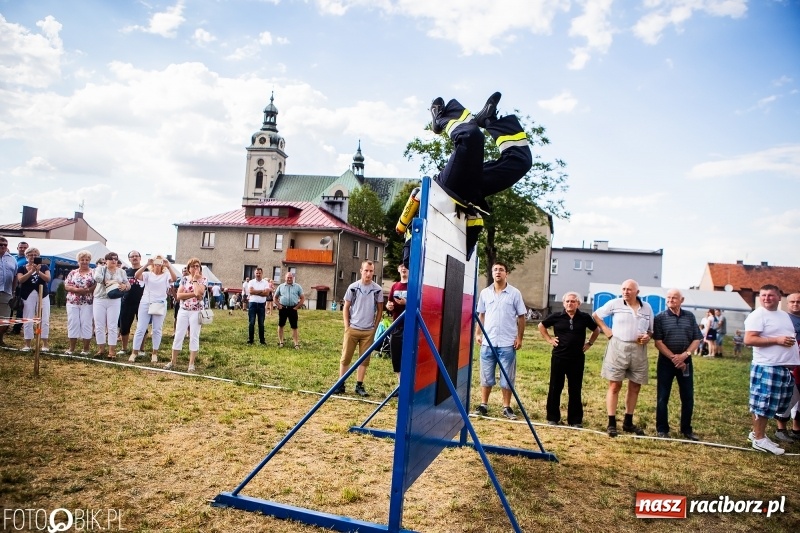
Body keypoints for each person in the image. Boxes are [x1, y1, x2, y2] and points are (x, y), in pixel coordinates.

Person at [429, 92, 532, 257]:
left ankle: (443, 117)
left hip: (449, 188)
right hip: (471, 195)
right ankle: (487, 120)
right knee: (521, 162)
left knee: (472, 137)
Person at [592, 279, 654, 437]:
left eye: (629, 289)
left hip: (639, 349)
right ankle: (611, 422)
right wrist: (606, 330)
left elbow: (651, 330)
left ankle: (628, 422)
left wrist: (648, 336)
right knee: (615, 385)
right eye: (623, 289)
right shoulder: (615, 303)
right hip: (618, 347)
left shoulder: (647, 308)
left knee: (635, 386)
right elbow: (596, 315)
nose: (625, 292)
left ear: (637, 292)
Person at [743, 284, 800, 455]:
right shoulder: (758, 315)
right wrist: (777, 340)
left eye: (771, 295)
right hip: (767, 365)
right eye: (763, 295)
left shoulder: (783, 315)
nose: (767, 298)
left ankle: (757, 434)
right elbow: (749, 339)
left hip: (781, 367)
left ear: (779, 297)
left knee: (772, 405)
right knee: (763, 403)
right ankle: (759, 439)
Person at [538, 292, 599, 428]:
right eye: (567, 301)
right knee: (555, 387)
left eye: (573, 301)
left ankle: (575, 420)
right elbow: (541, 326)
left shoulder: (584, 317)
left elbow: (596, 330)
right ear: (563, 303)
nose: (570, 304)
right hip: (559, 356)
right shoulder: (557, 317)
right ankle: (553, 417)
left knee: (575, 388)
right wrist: (549, 339)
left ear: (578, 303)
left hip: (577, 358)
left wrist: (589, 343)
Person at [474, 262, 526, 420]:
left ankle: (507, 407)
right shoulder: (485, 293)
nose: (498, 272)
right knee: (486, 376)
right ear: (491, 273)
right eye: (495, 269)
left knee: (507, 378)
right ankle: (483, 405)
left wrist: (519, 337)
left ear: (506, 273)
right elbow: (481, 314)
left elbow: (522, 316)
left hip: (507, 343)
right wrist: (478, 333)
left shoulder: (514, 293)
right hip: (488, 342)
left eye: (501, 270)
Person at [652, 289, 703, 440]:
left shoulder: (689, 316)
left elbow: (696, 338)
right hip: (666, 362)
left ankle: (686, 429)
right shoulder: (660, 318)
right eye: (668, 298)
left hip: (686, 361)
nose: (671, 300)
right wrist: (674, 358)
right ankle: (662, 429)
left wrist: (685, 355)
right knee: (662, 396)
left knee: (687, 396)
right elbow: (658, 342)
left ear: (682, 300)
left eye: (674, 298)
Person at [336, 260, 384, 397]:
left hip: (368, 330)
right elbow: (346, 307)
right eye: (366, 270)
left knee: (364, 359)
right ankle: (341, 384)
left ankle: (359, 385)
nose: (368, 273)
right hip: (353, 328)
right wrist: (347, 325)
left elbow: (380, 309)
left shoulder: (378, 290)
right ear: (361, 271)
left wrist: (374, 327)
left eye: (371, 271)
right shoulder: (353, 287)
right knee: (346, 357)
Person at [129, 255, 177, 363]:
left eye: (160, 262)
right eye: (156, 261)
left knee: (157, 329)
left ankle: (154, 353)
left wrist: (168, 265)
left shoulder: (166, 275)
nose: (158, 264)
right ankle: (134, 352)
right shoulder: (147, 274)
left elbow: (174, 279)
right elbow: (136, 275)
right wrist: (146, 264)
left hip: (159, 303)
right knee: (140, 328)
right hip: (146, 302)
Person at [167, 258, 207, 373]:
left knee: (194, 336)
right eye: (193, 266)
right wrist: (192, 294)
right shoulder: (184, 279)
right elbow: (179, 295)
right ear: (189, 268)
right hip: (184, 310)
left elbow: (199, 294)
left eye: (197, 266)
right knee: (179, 334)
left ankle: (191, 364)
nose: (195, 268)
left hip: (196, 311)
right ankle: (173, 361)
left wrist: (195, 281)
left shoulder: (203, 279)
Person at [774, 292, 800, 443]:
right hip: (789, 363)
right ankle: (781, 429)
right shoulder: (782, 319)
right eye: (793, 302)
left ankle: (796, 429)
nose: (796, 304)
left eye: (799, 301)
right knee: (790, 396)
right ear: (787, 303)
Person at [93, 252, 129, 359]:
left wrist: (124, 287)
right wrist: (113, 282)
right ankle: (101, 350)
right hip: (100, 298)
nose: (114, 261)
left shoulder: (122, 271)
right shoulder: (100, 269)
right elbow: (97, 278)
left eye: (116, 259)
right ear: (106, 260)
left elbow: (128, 284)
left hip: (115, 300)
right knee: (99, 325)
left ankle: (112, 351)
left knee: (112, 326)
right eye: (111, 259)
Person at [17, 247, 51, 352]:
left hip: (42, 294)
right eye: (31, 255)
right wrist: (31, 271)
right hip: (27, 295)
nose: (33, 257)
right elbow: (20, 280)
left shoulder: (44, 266)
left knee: (44, 318)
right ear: (26, 256)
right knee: (28, 318)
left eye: (35, 255)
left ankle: (44, 343)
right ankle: (27, 344)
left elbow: (48, 279)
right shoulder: (22, 268)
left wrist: (38, 271)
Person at [64, 250, 96, 355]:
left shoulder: (93, 272)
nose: (84, 262)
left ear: (89, 261)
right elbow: (66, 286)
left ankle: (86, 349)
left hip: (88, 302)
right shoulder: (73, 273)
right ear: (78, 261)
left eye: (87, 260)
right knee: (73, 323)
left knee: (86, 324)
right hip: (73, 301)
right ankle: (71, 348)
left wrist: (87, 290)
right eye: (82, 259)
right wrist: (77, 290)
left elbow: (97, 285)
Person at [118, 251, 145, 355]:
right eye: (132, 256)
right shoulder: (125, 272)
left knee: (142, 326)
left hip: (142, 302)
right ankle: (124, 348)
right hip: (127, 302)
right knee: (124, 325)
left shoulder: (146, 271)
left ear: (140, 258)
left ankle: (141, 350)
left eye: (136, 256)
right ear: (129, 259)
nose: (134, 258)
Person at [274, 272, 305, 349]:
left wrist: (297, 307)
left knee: (294, 326)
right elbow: (275, 297)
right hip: (283, 308)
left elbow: (302, 298)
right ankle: (281, 342)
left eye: (291, 277)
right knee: (281, 325)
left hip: (293, 309)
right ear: (285, 278)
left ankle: (296, 343)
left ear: (293, 278)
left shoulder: (297, 287)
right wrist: (279, 305)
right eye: (288, 277)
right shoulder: (281, 286)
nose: (289, 279)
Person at [389, 264, 409, 378]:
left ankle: (406, 385)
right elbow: (390, 302)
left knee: (407, 357)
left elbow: (419, 304)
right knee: (396, 356)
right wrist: (389, 306)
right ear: (398, 269)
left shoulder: (413, 285)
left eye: (406, 266)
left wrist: (406, 303)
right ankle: (400, 384)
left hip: (409, 326)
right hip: (396, 325)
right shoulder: (394, 286)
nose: (403, 268)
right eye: (401, 266)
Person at [0, 237, 17, 347]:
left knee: (4, 319)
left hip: (7, 292)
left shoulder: (12, 259)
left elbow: (15, 276)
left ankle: (0, 340)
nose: (3, 247)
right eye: (0, 244)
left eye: (5, 245)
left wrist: (13, 291)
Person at [247, 268, 270, 345]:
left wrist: (255, 292)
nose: (258, 274)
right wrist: (261, 291)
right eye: (257, 273)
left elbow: (267, 294)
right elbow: (250, 291)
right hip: (252, 304)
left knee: (261, 323)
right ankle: (250, 340)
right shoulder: (251, 282)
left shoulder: (266, 282)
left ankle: (262, 341)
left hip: (261, 305)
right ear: (254, 274)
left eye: (259, 273)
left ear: (262, 273)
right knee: (251, 322)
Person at [11, 241, 28, 335]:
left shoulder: (28, 260)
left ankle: (16, 328)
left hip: (22, 286)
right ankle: (5, 326)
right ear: (17, 248)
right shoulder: (12, 258)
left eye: (25, 248)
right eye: (21, 247)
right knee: (9, 305)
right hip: (10, 285)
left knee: (20, 307)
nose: (22, 249)